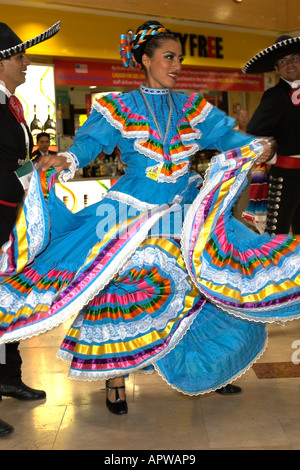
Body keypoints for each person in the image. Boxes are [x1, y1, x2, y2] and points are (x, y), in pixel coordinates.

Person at [1, 21, 300, 419]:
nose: (176, 65)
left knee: (203, 280)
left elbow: (230, 138)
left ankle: (208, 364)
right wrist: (67, 159)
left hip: (185, 209)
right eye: (169, 57)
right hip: (131, 210)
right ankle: (115, 377)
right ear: (145, 60)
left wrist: (257, 145)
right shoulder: (117, 106)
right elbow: (90, 144)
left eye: (179, 58)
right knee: (122, 285)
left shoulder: (195, 107)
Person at [0, 20, 60, 437]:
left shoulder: (11, 106)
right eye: (21, 56)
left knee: (8, 299)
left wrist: (32, 171)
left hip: (10, 220)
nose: (26, 63)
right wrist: (26, 177)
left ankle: (8, 375)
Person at [244, 35, 300, 235]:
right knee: (277, 234)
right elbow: (254, 132)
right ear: (277, 69)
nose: (290, 64)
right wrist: (274, 155)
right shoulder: (274, 96)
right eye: (283, 61)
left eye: (294, 58)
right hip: (286, 175)